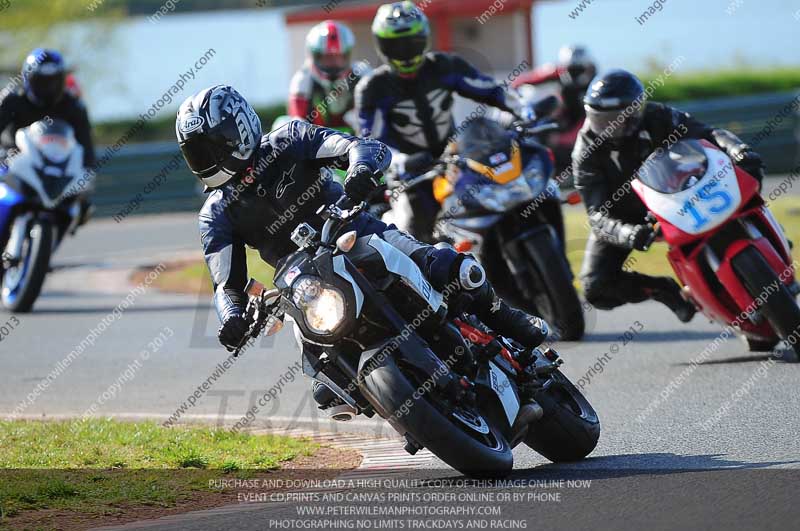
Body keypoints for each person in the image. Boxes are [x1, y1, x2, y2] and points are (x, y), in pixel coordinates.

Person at [175, 85, 551, 409]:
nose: (205, 160)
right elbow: (226, 283)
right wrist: (232, 318)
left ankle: (506, 318)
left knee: (450, 268)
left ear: (237, 130)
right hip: (303, 282)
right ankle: (404, 406)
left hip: (358, 233)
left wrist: (359, 173)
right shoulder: (215, 213)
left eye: (209, 148)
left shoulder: (287, 139)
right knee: (327, 385)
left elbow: (360, 147)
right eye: (196, 153)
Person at [573, 69, 765, 321]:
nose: (610, 127)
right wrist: (628, 233)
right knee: (595, 286)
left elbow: (707, 133)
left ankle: (767, 237)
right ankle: (665, 291)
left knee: (746, 174)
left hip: (677, 192)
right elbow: (597, 215)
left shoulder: (656, 115)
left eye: (619, 118)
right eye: (602, 119)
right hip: (626, 213)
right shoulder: (584, 152)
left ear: (637, 110)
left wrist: (737, 149)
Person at [355, 1, 524, 241]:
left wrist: (522, 108)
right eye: (396, 45)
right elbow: (371, 141)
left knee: (500, 206)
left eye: (411, 43)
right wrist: (402, 162)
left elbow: (490, 90)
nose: (405, 51)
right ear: (382, 46)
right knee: (413, 233)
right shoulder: (372, 88)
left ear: (424, 39)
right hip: (409, 177)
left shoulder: (446, 66)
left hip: (455, 161)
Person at [0, 49, 95, 223]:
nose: (48, 87)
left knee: (82, 205)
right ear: (28, 79)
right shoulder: (12, 99)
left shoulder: (72, 105)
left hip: (54, 165)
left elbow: (85, 146)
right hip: (11, 161)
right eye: (41, 81)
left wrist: (86, 178)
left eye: (53, 81)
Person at [513, 45, 597, 179]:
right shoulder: (557, 72)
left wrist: (564, 139)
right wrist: (513, 93)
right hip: (562, 121)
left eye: (578, 69)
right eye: (569, 68)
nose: (573, 73)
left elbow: (590, 119)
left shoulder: (595, 84)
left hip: (583, 130)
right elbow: (523, 81)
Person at [288, 20, 366, 131]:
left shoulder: (362, 73)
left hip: (359, 141)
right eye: (328, 57)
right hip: (315, 143)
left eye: (339, 57)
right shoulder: (302, 79)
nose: (334, 63)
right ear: (314, 55)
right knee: (282, 123)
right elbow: (297, 122)